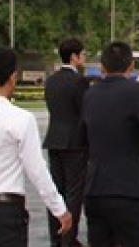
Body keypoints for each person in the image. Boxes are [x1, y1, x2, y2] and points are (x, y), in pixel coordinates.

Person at [0, 48, 72, 246]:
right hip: (5, 211)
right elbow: (36, 170)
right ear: (12, 78)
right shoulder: (21, 119)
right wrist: (59, 208)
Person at [82, 41, 139, 246]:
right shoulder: (136, 92)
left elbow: (82, 136)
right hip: (126, 186)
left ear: (102, 66)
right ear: (130, 66)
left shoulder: (90, 94)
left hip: (94, 186)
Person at [43, 37, 90, 247]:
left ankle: (56, 238)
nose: (85, 57)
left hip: (55, 139)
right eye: (83, 53)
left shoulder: (51, 80)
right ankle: (68, 239)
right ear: (74, 56)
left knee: (57, 191)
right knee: (74, 193)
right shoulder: (79, 81)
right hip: (75, 142)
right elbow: (84, 112)